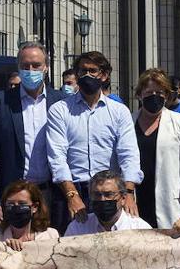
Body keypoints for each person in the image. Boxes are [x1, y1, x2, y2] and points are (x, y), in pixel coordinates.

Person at [46, 51, 142, 230]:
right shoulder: (59, 110)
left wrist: (128, 193)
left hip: (109, 193)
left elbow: (129, 154)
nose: (87, 76)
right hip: (74, 190)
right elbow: (57, 156)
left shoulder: (119, 112)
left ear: (104, 75)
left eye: (93, 71)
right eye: (82, 71)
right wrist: (72, 195)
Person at [0, 42, 65, 226]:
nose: (31, 70)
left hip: (51, 194)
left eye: (36, 65)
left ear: (46, 68)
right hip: (13, 196)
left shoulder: (61, 102)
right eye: (25, 66)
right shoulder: (0, 102)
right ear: (18, 68)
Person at [132, 69, 180, 228]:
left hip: (170, 206)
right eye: (149, 92)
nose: (154, 96)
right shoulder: (128, 121)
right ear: (140, 94)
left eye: (160, 92)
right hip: (136, 202)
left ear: (167, 95)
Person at [63, 169, 151, 236]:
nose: (102, 199)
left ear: (123, 198)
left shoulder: (140, 229)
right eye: (97, 194)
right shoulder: (77, 229)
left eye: (109, 194)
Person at [0, 180, 60, 249]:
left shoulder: (51, 235)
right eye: (10, 204)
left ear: (35, 207)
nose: (16, 208)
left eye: (22, 204)